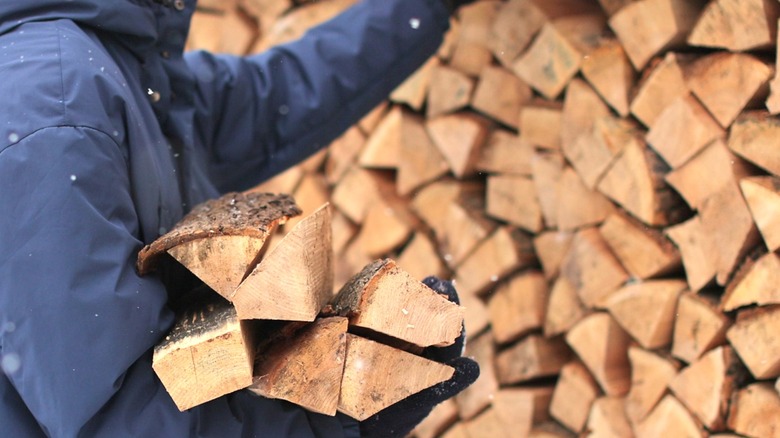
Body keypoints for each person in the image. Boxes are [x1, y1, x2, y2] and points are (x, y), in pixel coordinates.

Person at [0, 0, 479, 436]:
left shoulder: (115, 66)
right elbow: (114, 418)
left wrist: (421, 8)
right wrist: (331, 425)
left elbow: (281, 95)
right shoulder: (55, 110)